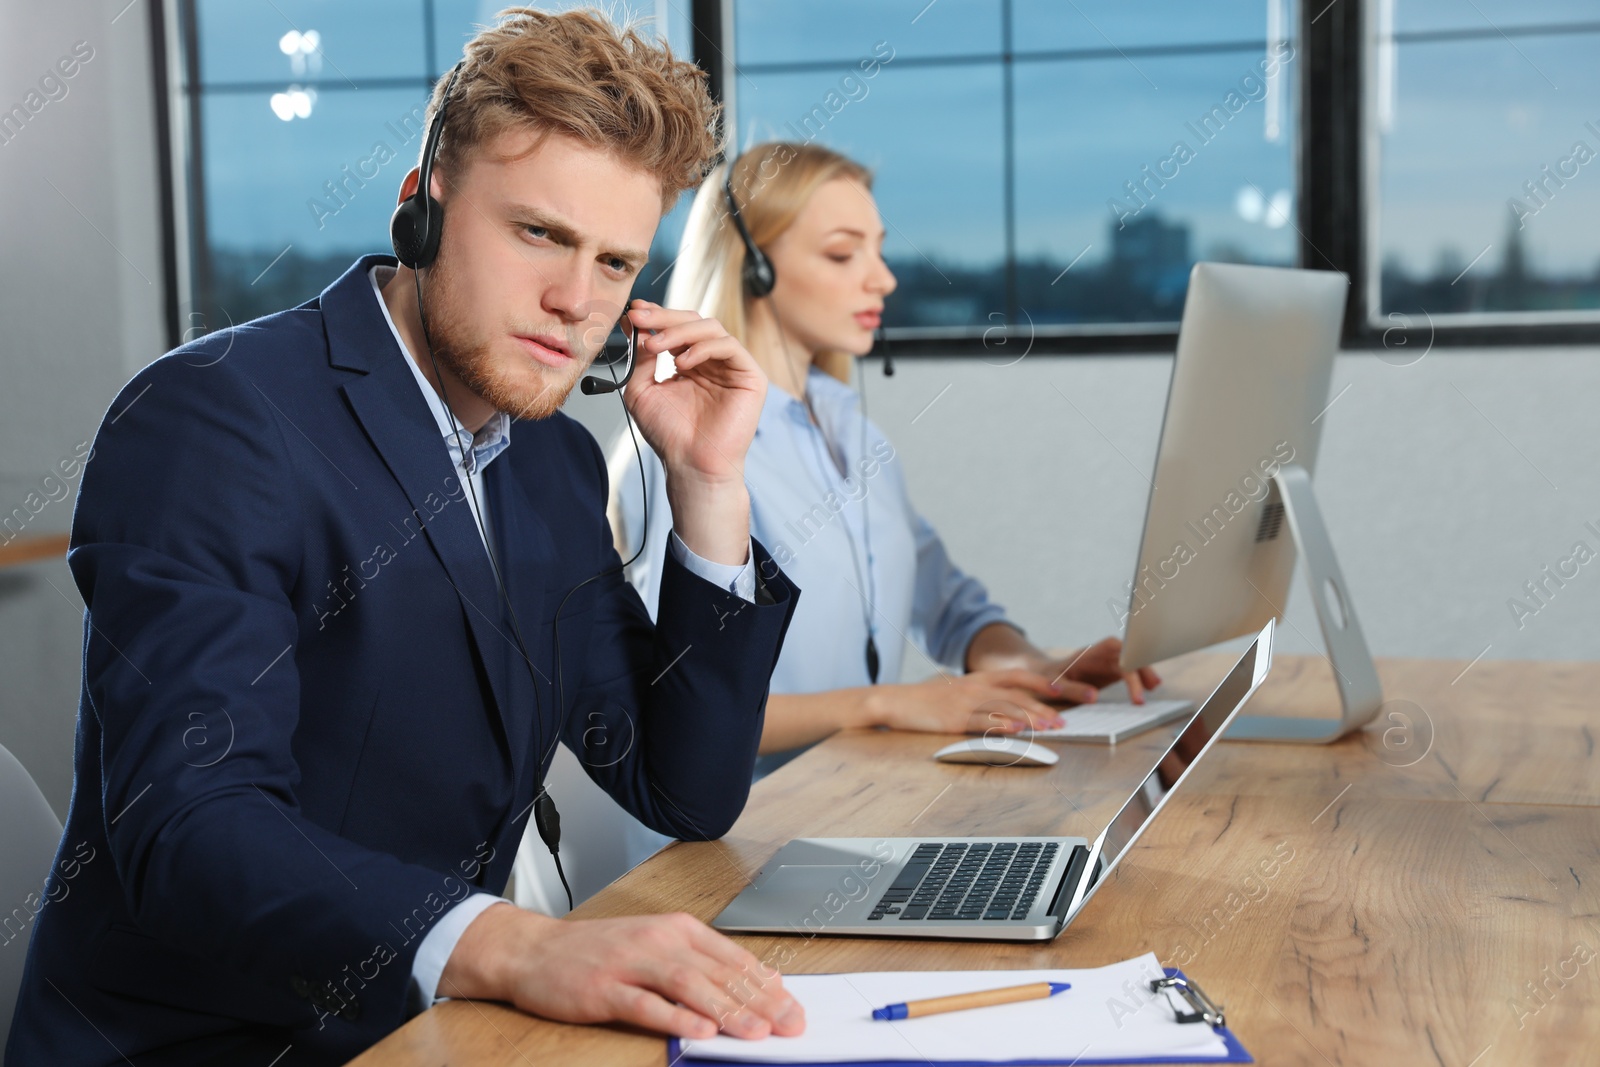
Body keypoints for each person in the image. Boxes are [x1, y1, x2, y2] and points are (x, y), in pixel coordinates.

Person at [6, 12, 807, 1066]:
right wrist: (507, 943)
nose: (576, 302)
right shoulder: (212, 419)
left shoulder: (553, 462)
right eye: (538, 234)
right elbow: (193, 826)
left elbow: (685, 789)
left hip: (432, 1030)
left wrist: (709, 484)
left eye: (616, 262)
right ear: (420, 206)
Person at [613, 141, 1163, 772]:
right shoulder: (676, 453)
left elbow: (946, 600)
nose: (884, 278)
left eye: (878, 248)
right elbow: (676, 704)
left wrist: (1029, 665)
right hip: (736, 832)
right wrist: (886, 704)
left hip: (852, 796)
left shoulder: (853, 433)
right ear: (752, 267)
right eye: (844, 253)